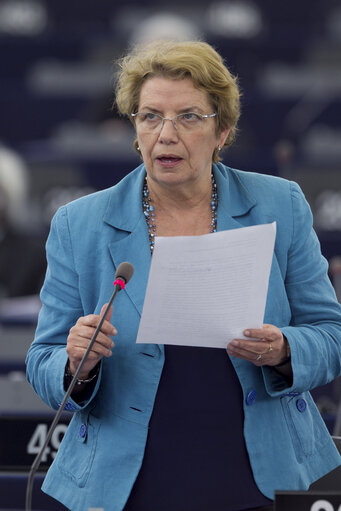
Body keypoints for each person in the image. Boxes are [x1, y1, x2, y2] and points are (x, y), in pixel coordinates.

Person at [26, 40, 341, 511]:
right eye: (150, 116)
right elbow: (42, 359)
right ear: (135, 128)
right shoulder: (80, 223)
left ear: (223, 130)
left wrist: (285, 350)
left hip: (263, 471)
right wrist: (76, 364)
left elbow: (331, 335)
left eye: (189, 117)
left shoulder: (281, 204)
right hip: (128, 478)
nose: (165, 134)